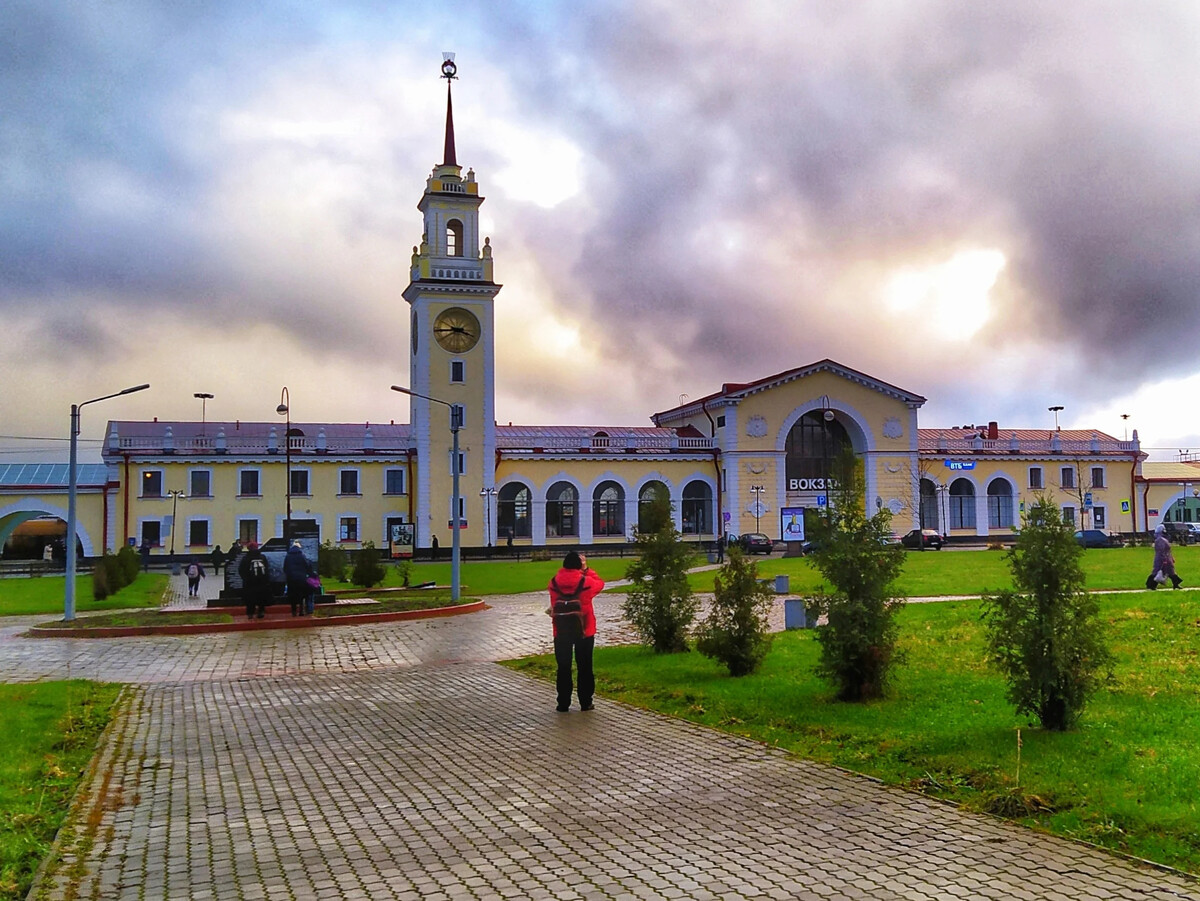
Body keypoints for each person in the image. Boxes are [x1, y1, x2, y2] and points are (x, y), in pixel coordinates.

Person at [546, 551, 605, 712]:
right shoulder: (586, 582)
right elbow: (599, 584)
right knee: (585, 666)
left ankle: (563, 703)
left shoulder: (553, 583)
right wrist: (586, 569)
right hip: (584, 629)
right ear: (579, 565)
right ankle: (586, 702)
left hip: (561, 629)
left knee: (563, 667)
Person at [238, 541, 272, 619]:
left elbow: (241, 570)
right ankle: (261, 611)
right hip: (262, 583)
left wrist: (245, 579)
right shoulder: (262, 557)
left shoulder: (246, 558)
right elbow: (267, 569)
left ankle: (250, 613)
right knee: (261, 598)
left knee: (250, 599)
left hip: (250, 583)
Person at [1147, 524, 1184, 590]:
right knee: (1157, 572)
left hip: (1167, 558)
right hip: (1162, 559)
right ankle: (1150, 585)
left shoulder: (1162, 539)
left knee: (1171, 572)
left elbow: (1168, 551)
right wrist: (1164, 559)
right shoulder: (1160, 540)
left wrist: (1171, 558)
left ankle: (1176, 584)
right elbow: (1162, 551)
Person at [283, 540, 314, 617]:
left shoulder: (288, 556)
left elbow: (285, 568)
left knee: (292, 594)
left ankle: (293, 611)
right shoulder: (302, 555)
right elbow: (307, 566)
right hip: (301, 578)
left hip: (291, 579)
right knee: (301, 595)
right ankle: (301, 611)